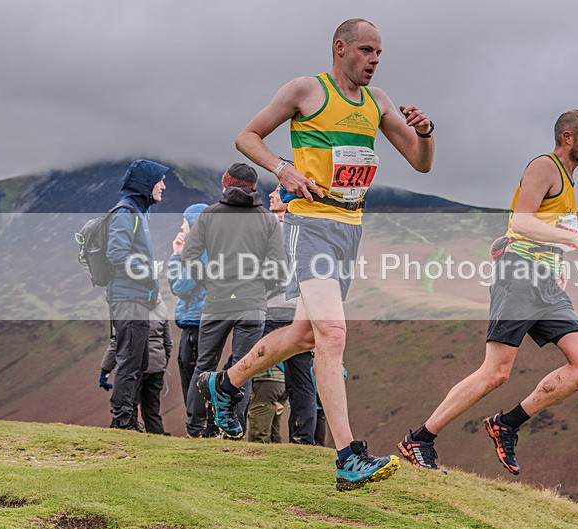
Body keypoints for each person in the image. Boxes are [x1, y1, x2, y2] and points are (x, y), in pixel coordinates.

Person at [198, 18, 435, 491]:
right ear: (340, 47)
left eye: (379, 54)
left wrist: (426, 133)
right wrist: (282, 169)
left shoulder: (378, 102)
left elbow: (420, 162)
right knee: (331, 334)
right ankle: (348, 456)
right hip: (310, 224)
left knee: (305, 334)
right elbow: (246, 136)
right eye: (366, 51)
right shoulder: (307, 91)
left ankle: (224, 385)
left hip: (350, 227)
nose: (374, 61)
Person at [397, 110, 578, 475]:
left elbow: (545, 226)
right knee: (495, 372)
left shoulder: (569, 180)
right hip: (519, 276)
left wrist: (559, 265)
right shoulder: (545, 167)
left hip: (545, 282)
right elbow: (521, 221)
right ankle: (420, 438)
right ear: (568, 137)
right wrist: (577, 240)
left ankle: (507, 423)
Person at [181, 163, 286, 439]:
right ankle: (232, 430)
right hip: (252, 303)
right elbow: (279, 267)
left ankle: (195, 428)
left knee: (204, 364)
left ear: (226, 184)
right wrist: (261, 289)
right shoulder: (267, 219)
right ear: (253, 188)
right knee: (244, 366)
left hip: (217, 300)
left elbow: (189, 257)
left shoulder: (209, 215)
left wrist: (208, 282)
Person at [106, 159, 168, 430]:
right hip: (128, 298)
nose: (163, 186)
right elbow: (117, 253)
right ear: (145, 183)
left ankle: (128, 419)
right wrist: (149, 272)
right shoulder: (126, 212)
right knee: (130, 361)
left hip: (137, 298)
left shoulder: (137, 213)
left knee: (137, 360)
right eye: (159, 180)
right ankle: (122, 422)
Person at [265, 184, 318, 445]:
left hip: (275, 307)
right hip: (301, 310)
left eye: (278, 191)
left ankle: (229, 429)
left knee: (245, 362)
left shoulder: (276, 229)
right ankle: (303, 440)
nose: (272, 195)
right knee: (301, 377)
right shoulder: (311, 228)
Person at [100, 293, 173, 434]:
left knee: (129, 405)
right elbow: (168, 342)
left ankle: (129, 435)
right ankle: (158, 441)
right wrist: (162, 363)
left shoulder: (128, 307)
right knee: (152, 410)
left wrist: (105, 369)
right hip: (157, 366)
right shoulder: (161, 306)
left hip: (134, 364)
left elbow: (116, 342)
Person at [167, 203, 208, 435]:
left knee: (192, 377)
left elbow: (181, 286)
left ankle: (197, 427)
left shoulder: (199, 251)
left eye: (185, 222)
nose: (181, 227)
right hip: (199, 321)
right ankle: (201, 426)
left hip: (196, 322)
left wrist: (175, 257)